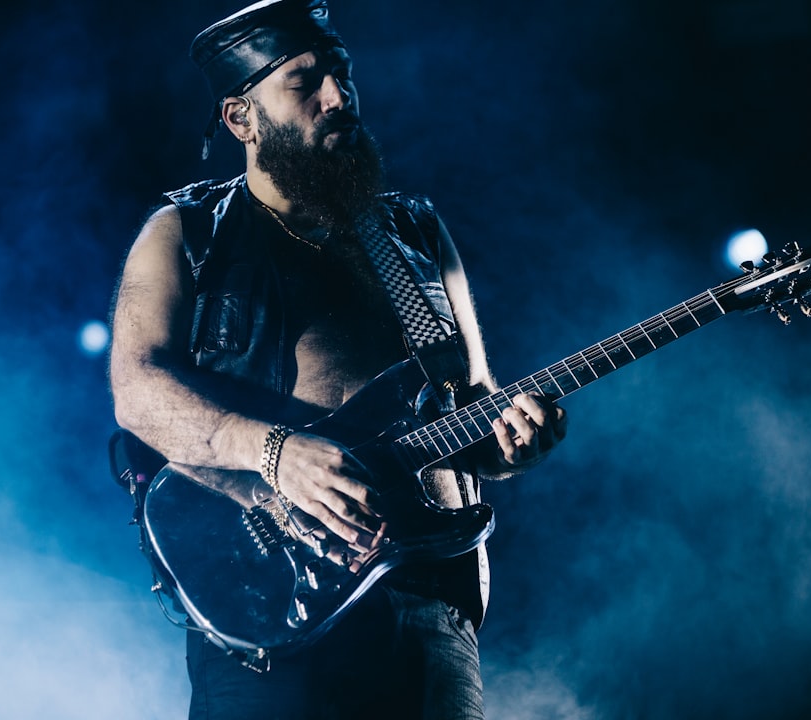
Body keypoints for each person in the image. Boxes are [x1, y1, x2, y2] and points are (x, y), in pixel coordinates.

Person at [108, 1, 567, 718]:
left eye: (342, 77)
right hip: (266, 607)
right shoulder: (186, 232)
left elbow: (474, 406)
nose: (338, 98)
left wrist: (513, 443)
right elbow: (137, 391)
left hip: (428, 596)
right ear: (241, 119)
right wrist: (274, 452)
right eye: (304, 83)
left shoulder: (412, 231)